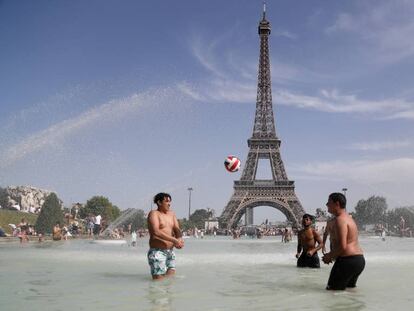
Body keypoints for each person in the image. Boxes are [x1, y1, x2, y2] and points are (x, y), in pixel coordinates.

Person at [322, 193, 365, 290]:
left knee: (332, 292)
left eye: (329, 202)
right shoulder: (349, 219)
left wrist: (329, 256)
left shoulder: (340, 220)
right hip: (359, 260)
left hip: (347, 261)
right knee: (349, 291)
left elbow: (342, 246)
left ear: (336, 204)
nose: (326, 204)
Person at [147, 193, 184, 280]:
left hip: (170, 252)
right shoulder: (154, 214)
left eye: (170, 202)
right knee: (158, 283)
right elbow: (156, 232)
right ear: (159, 202)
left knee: (170, 282)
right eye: (166, 201)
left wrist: (179, 239)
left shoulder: (172, 214)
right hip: (157, 252)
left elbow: (176, 229)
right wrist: (174, 240)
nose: (169, 204)